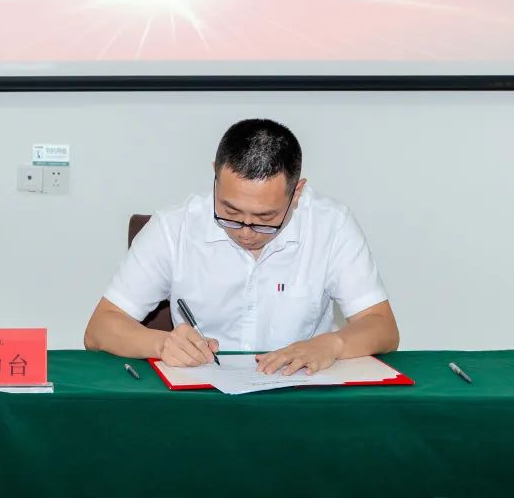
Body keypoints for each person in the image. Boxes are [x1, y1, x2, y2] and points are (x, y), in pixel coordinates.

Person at [84, 119, 398, 375]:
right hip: (202, 396)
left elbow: (382, 326)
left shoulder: (332, 225)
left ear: (297, 193)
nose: (246, 232)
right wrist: (161, 344)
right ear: (215, 176)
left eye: (265, 218)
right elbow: (100, 328)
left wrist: (332, 345)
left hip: (299, 393)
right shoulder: (173, 227)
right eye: (230, 213)